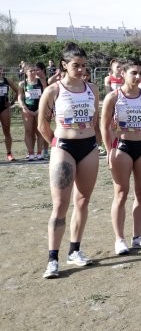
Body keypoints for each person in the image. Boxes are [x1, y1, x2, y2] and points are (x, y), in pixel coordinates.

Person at [36, 42, 100, 278]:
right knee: (61, 205)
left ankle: (75, 250)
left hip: (89, 147)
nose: (82, 69)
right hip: (63, 147)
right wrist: (55, 143)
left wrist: (96, 141)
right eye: (76, 65)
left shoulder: (92, 89)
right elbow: (42, 124)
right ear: (64, 65)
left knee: (83, 201)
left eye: (84, 65)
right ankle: (52, 259)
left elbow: (94, 120)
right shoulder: (53, 90)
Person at [99, 57, 141, 254]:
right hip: (121, 147)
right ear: (122, 74)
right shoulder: (113, 97)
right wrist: (109, 150)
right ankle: (119, 239)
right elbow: (105, 125)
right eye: (134, 72)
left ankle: (138, 237)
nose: (138, 76)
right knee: (121, 194)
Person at [18, 64, 47, 161]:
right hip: (27, 109)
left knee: (39, 130)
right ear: (26, 72)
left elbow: (45, 96)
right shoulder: (22, 84)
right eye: (31, 71)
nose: (34, 72)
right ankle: (30, 153)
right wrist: (24, 108)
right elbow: (20, 97)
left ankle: (39, 153)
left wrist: (40, 109)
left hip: (39, 108)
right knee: (28, 131)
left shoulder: (41, 82)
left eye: (35, 70)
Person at [0, 65, 19, 161]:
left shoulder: (7, 81)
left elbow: (18, 91)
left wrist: (11, 103)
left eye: (0, 69)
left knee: (6, 131)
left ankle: (9, 153)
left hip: (4, 108)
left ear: (2, 70)